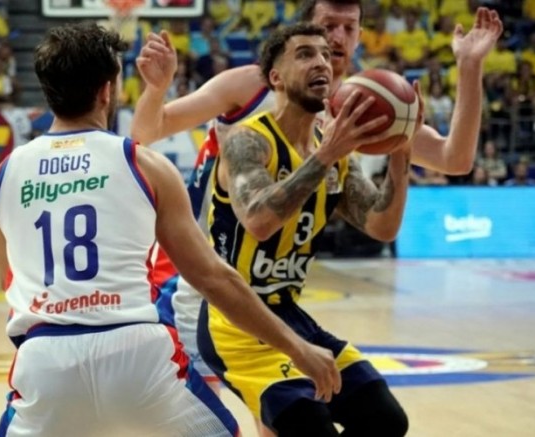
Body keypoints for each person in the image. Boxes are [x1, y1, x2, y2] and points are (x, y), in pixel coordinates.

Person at [0, 22, 340, 437]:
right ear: (107, 90)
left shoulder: (2, 176)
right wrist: (297, 347)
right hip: (137, 355)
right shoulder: (144, 164)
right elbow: (213, 278)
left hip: (45, 358)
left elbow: (11, 284)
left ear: (48, 91)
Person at [132, 0, 503, 395]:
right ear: (304, 30)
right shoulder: (252, 84)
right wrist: (156, 89)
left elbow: (454, 159)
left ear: (360, 36)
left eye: (349, 28)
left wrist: (469, 67)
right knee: (205, 417)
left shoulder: (364, 103)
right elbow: (148, 131)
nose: (338, 37)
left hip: (272, 290)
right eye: (328, 26)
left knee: (282, 412)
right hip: (199, 276)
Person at [199, 23, 415, 435]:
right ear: (276, 77)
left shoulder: (332, 150)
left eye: (325, 55)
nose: (322, 62)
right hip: (236, 324)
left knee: (385, 419)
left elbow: (382, 225)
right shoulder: (248, 141)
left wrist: (401, 152)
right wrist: (327, 155)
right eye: (304, 54)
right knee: (311, 426)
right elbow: (259, 221)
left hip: (290, 314)